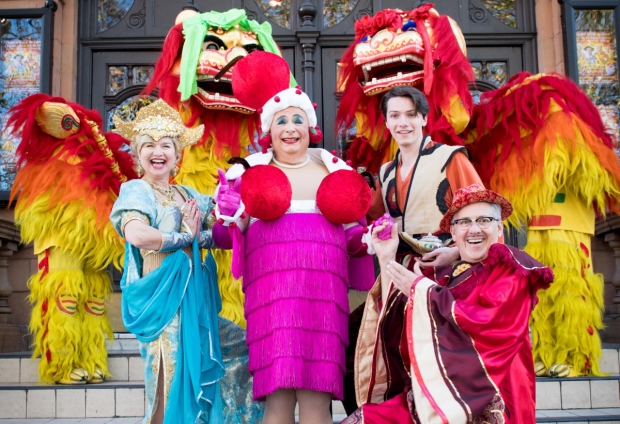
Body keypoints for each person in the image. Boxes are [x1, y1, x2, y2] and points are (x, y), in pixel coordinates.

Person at [212, 51, 375, 424]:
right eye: (281, 120)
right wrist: (229, 212)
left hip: (324, 299)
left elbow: (352, 238)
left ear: (310, 127)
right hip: (272, 300)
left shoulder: (333, 168)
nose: (290, 127)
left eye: (298, 119)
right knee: (279, 397)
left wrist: (370, 240)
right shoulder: (248, 173)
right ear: (269, 130)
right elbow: (225, 236)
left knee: (318, 398)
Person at [345, 184, 553, 423]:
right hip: (436, 396)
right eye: (464, 222)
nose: (474, 229)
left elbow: (484, 322)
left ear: (499, 228)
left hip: (490, 398)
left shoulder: (511, 268)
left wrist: (422, 289)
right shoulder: (443, 276)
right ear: (453, 233)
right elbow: (398, 322)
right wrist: (387, 257)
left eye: (483, 220)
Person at [111, 99, 263, 424]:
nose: (158, 151)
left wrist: (237, 199)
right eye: (149, 145)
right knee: (166, 390)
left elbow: (228, 228)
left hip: (197, 306)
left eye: (166, 144)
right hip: (163, 307)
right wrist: (185, 237)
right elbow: (138, 235)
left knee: (243, 350)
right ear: (139, 154)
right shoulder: (136, 191)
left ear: (177, 154)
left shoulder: (189, 195)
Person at [343, 85, 483, 413]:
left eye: (410, 114)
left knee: (438, 362)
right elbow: (374, 220)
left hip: (446, 275)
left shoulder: (452, 157)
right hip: (400, 273)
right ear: (386, 123)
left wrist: (456, 253)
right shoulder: (386, 172)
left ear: (424, 118)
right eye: (394, 116)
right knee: (378, 352)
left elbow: (480, 214)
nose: (402, 122)